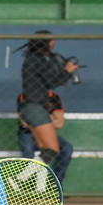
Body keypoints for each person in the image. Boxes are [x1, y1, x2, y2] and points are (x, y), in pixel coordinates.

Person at [17, 30, 77, 171]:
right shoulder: (38, 60)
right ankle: (19, 180)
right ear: (46, 44)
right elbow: (52, 81)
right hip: (36, 107)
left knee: (44, 150)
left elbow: (47, 79)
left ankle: (41, 188)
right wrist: (67, 72)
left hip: (31, 107)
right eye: (52, 43)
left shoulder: (32, 59)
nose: (53, 46)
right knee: (52, 150)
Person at [17, 90, 72, 183]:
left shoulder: (54, 97)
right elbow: (25, 122)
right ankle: (27, 184)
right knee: (28, 151)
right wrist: (48, 121)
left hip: (48, 134)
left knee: (67, 148)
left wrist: (36, 121)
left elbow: (59, 123)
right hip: (28, 133)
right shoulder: (24, 96)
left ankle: (55, 184)